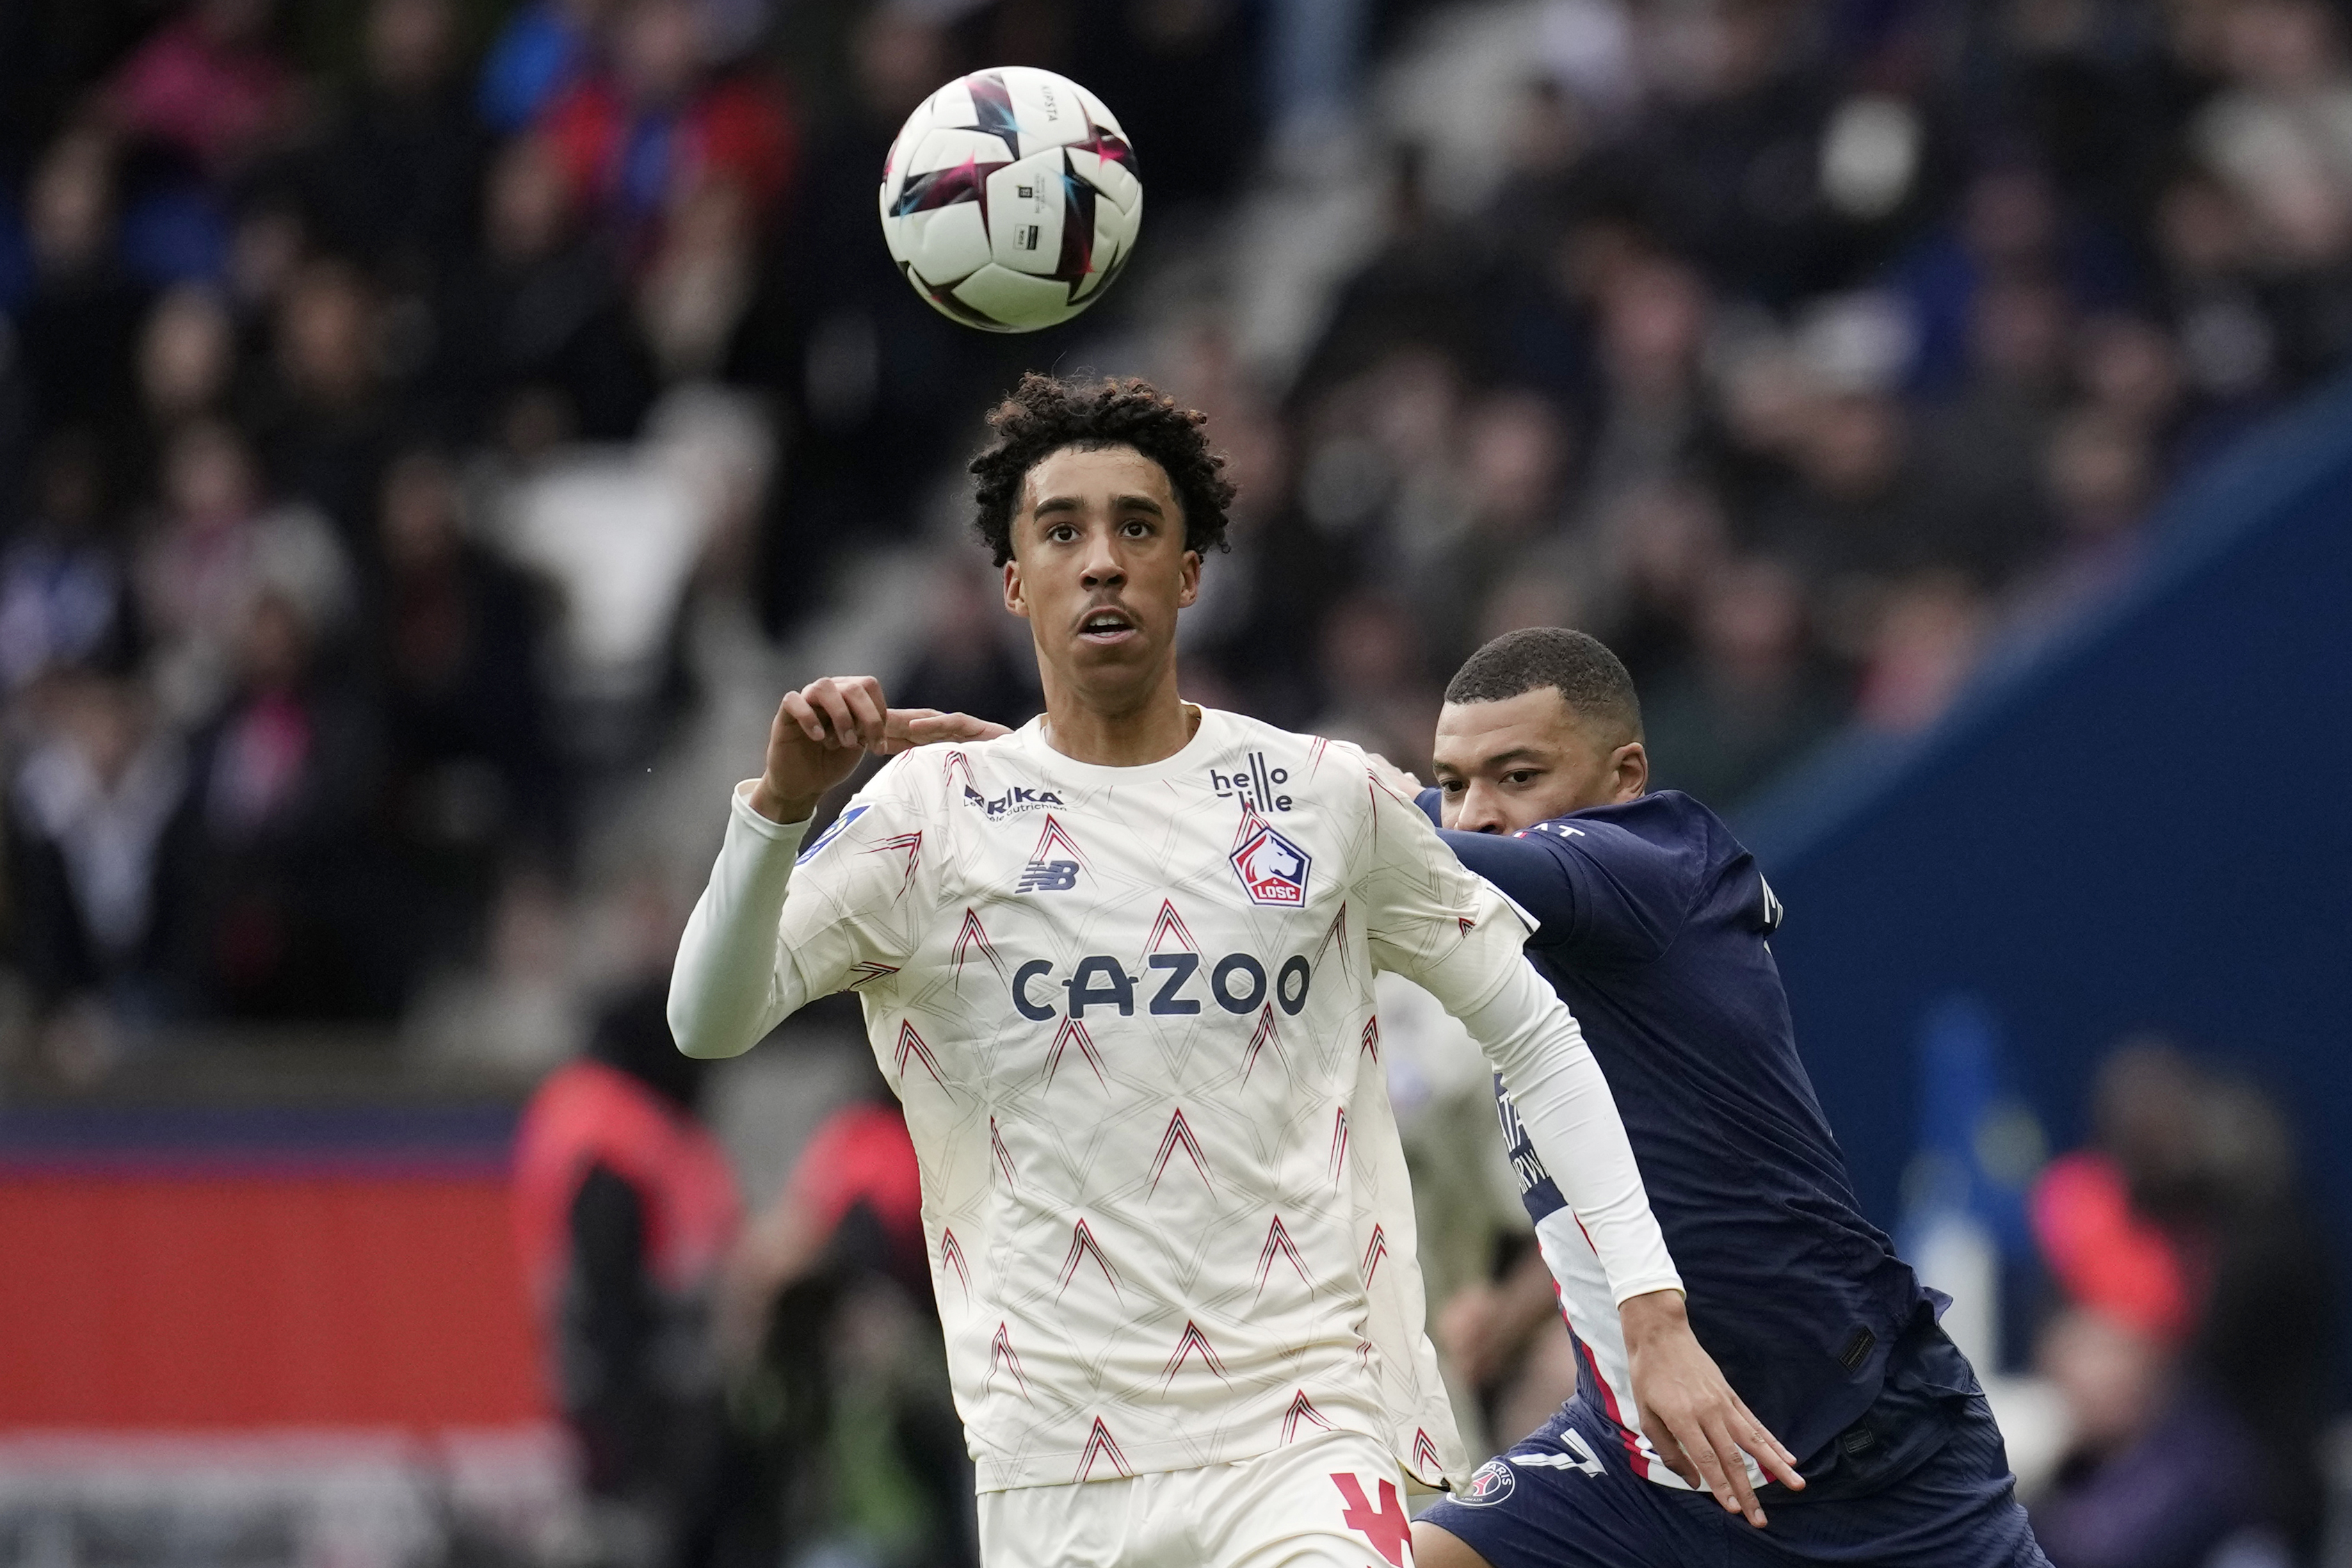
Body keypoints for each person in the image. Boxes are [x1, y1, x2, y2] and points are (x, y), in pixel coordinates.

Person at [667, 374, 1799, 1568]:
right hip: (1055, 1465)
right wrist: (779, 810)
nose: (1101, 561)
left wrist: (1651, 1306)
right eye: (1061, 532)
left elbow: (1535, 1029)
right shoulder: (928, 817)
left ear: (1190, 574)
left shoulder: (1319, 795)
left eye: (1137, 528)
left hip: (1306, 1435)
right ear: (1013, 583)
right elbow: (708, 1019)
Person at [1404, 627, 2048, 1568]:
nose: (1478, 813)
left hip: (1848, 1450)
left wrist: (1269, 783)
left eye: (1517, 776)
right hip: (1639, 1466)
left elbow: (1414, 850)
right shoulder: (1515, 947)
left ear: (1623, 775)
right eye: (1455, 782)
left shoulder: (1655, 865)